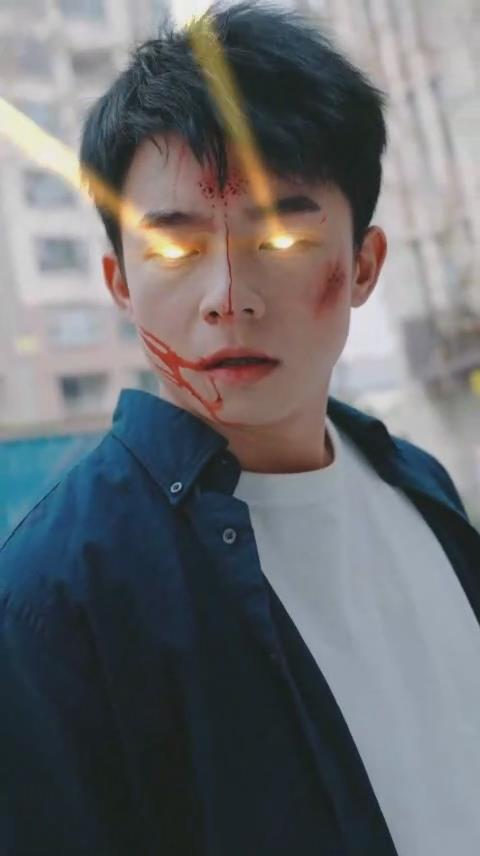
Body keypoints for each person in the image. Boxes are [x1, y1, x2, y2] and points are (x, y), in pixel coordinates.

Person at [1, 3, 480, 854]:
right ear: (119, 283)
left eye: (284, 238)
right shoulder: (51, 599)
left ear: (364, 265)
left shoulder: (423, 489)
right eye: (174, 249)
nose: (229, 295)